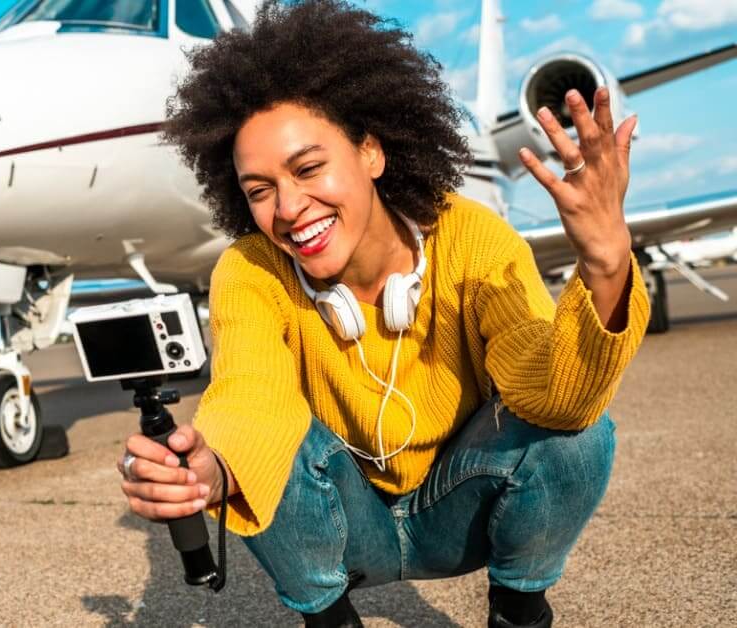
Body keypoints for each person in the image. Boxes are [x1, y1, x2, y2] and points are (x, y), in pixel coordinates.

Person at [116, 2, 650, 627]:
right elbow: (249, 396)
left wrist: (609, 265)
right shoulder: (251, 269)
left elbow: (557, 400)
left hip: (461, 511)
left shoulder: (474, 239)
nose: (288, 207)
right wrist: (215, 467)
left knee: (581, 438)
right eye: (259, 190)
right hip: (345, 526)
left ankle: (518, 605)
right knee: (271, 447)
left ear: (370, 151)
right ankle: (328, 615)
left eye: (309, 167)